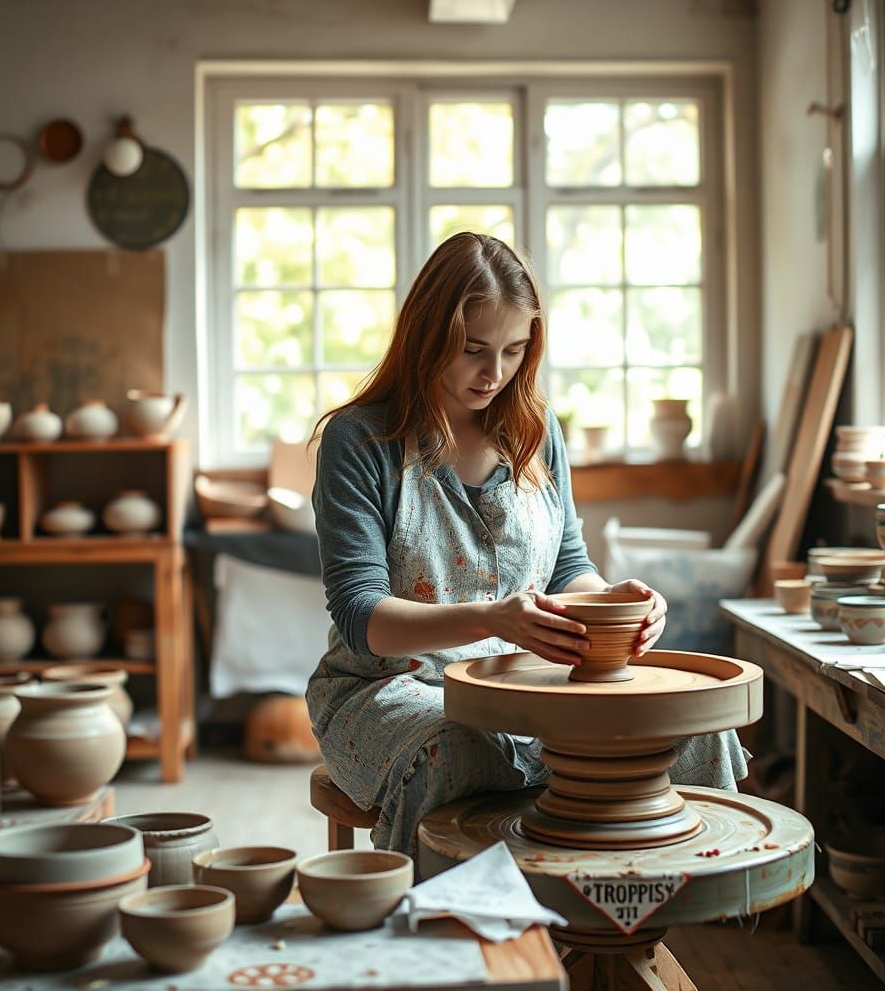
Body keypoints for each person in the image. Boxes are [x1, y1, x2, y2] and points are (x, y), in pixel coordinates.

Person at [307, 232, 748, 860]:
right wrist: (492, 619)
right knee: (460, 749)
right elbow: (359, 616)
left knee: (692, 729)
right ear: (426, 336)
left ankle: (625, 917)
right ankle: (469, 937)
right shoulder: (360, 441)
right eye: (473, 350)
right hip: (390, 688)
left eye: (514, 350)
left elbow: (570, 566)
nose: (494, 373)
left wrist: (611, 602)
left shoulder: (536, 431)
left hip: (524, 681)